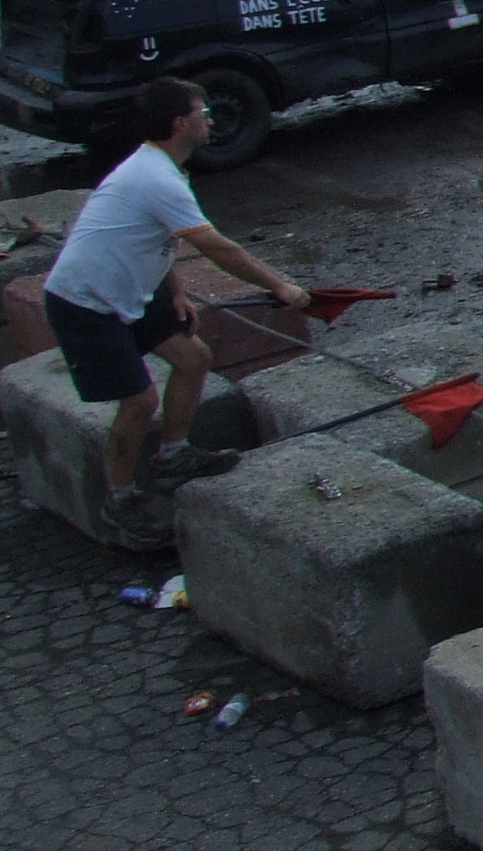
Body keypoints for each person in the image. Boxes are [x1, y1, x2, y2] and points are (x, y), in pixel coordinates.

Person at [42, 75, 309, 546]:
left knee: (194, 358)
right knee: (140, 400)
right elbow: (215, 247)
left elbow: (159, 239)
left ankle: (174, 455)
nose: (209, 120)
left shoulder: (163, 168)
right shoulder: (156, 177)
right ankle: (120, 501)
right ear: (180, 123)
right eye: (202, 114)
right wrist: (280, 286)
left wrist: (176, 293)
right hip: (84, 302)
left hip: (128, 293)